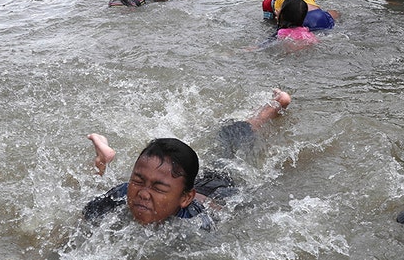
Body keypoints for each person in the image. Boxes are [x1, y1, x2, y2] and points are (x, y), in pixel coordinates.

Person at [83, 89, 292, 229]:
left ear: (185, 199)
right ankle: (102, 162)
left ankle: (272, 108)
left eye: (157, 188)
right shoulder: (123, 192)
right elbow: (83, 218)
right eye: (138, 181)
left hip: (218, 190)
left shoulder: (196, 222)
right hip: (183, 184)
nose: (143, 195)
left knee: (230, 148)